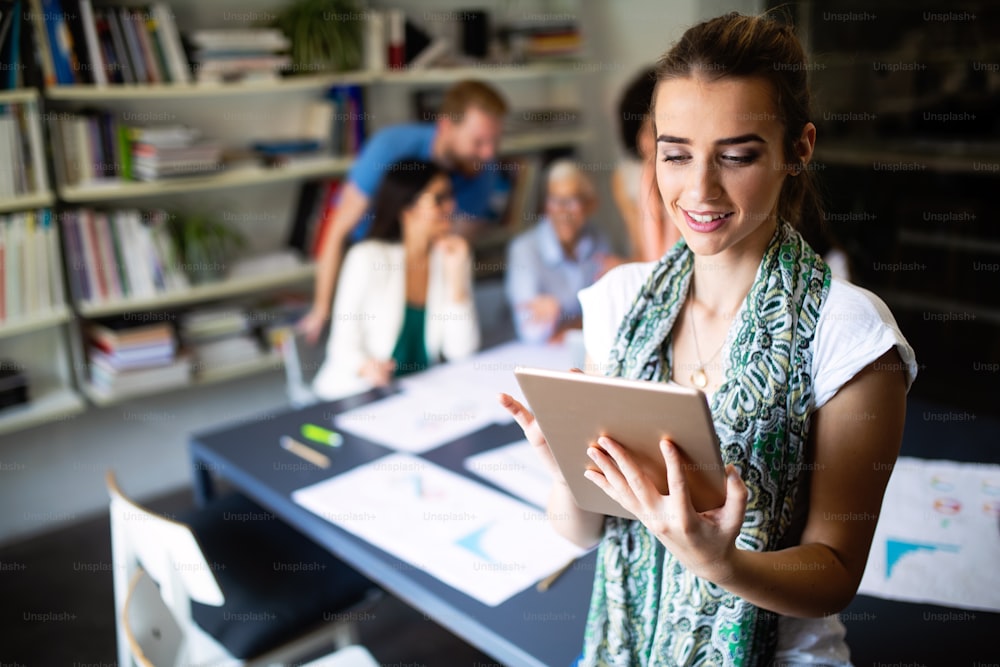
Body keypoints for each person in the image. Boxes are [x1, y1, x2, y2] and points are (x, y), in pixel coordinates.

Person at [499, 12, 917, 666]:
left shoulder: (852, 335)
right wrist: (566, 475)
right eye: (675, 153)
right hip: (625, 646)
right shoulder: (619, 303)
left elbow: (836, 568)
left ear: (799, 148)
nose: (699, 189)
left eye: (737, 155)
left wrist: (721, 562)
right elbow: (583, 532)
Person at [298, 80, 508, 343]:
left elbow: (453, 247)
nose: (488, 153)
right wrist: (322, 308)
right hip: (369, 255)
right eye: (478, 142)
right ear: (446, 126)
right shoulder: (389, 147)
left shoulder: (483, 171)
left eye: (494, 141)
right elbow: (338, 228)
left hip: (425, 265)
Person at [311, 160, 478, 401]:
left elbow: (461, 351)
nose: (451, 206)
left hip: (418, 395)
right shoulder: (367, 258)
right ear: (406, 207)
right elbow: (341, 348)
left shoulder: (452, 256)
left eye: (451, 196)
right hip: (360, 391)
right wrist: (366, 367)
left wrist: (456, 281)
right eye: (439, 198)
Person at [505, 160, 618, 343]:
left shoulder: (598, 240)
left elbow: (612, 314)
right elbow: (532, 331)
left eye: (572, 200)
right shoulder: (524, 250)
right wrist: (586, 320)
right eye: (556, 200)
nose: (563, 212)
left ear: (590, 205)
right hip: (538, 357)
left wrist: (562, 320)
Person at [612, 67, 681, 262]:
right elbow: (641, 252)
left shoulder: (692, 178)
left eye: (652, 130)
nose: (645, 143)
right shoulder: (626, 180)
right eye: (640, 132)